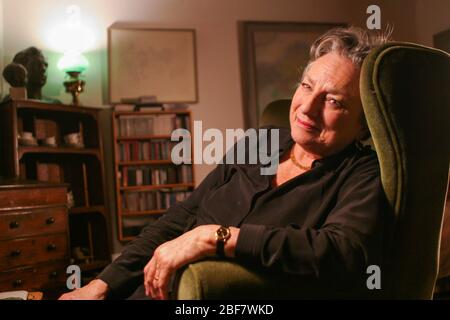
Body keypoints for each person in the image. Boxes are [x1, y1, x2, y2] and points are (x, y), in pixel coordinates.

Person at [59, 26, 394, 300]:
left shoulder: (363, 172)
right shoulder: (258, 142)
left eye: (333, 100)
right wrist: (102, 284)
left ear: (365, 122)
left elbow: (342, 253)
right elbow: (182, 217)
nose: (307, 107)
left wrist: (214, 237)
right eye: (306, 86)